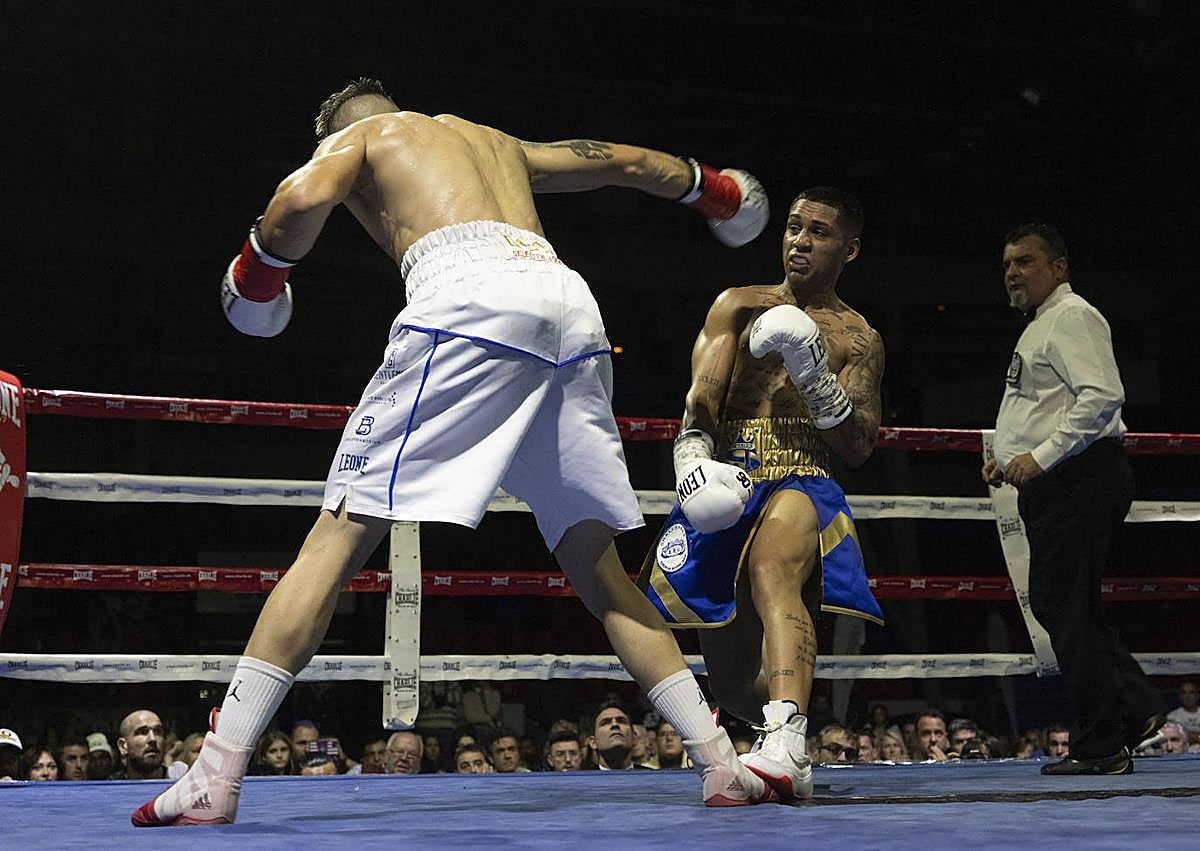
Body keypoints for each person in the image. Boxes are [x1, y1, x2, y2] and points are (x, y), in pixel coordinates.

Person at [133, 77, 773, 827]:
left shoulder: (366, 138)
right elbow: (627, 162)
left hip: (469, 302)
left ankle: (213, 775)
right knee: (596, 566)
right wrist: (717, 192)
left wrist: (257, 277)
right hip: (568, 307)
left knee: (336, 537)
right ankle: (723, 764)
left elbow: (297, 204)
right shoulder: (492, 140)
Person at [638, 187, 884, 802]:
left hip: (805, 476)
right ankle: (782, 724)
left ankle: (787, 740)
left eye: (819, 232)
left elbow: (859, 446)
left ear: (849, 250)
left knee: (776, 570)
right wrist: (692, 462)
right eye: (794, 227)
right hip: (727, 481)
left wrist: (812, 371)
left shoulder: (859, 338)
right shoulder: (739, 305)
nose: (800, 240)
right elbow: (703, 397)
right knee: (728, 682)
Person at [982, 223, 1166, 776]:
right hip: (1058, 480)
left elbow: (1104, 396)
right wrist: (1011, 455)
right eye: (1008, 262)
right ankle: (1133, 710)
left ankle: (1103, 743)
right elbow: (1042, 406)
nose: (1013, 271)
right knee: (1069, 607)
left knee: (1062, 606)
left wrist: (1040, 457)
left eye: (1026, 261)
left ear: (1058, 267)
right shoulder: (1042, 325)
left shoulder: (1073, 316)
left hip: (1079, 478)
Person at [115, 709, 167, 780]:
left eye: (157, 731)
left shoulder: (181, 785)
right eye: (143, 732)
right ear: (123, 746)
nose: (153, 739)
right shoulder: (110, 788)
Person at [1166, 679, 1200, 746]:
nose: (1188, 697)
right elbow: (1173, 739)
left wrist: (1186, 734)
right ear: (1180, 696)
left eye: (1191, 692)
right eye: (1184, 693)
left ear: (1197, 696)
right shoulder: (1172, 716)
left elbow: (1181, 737)